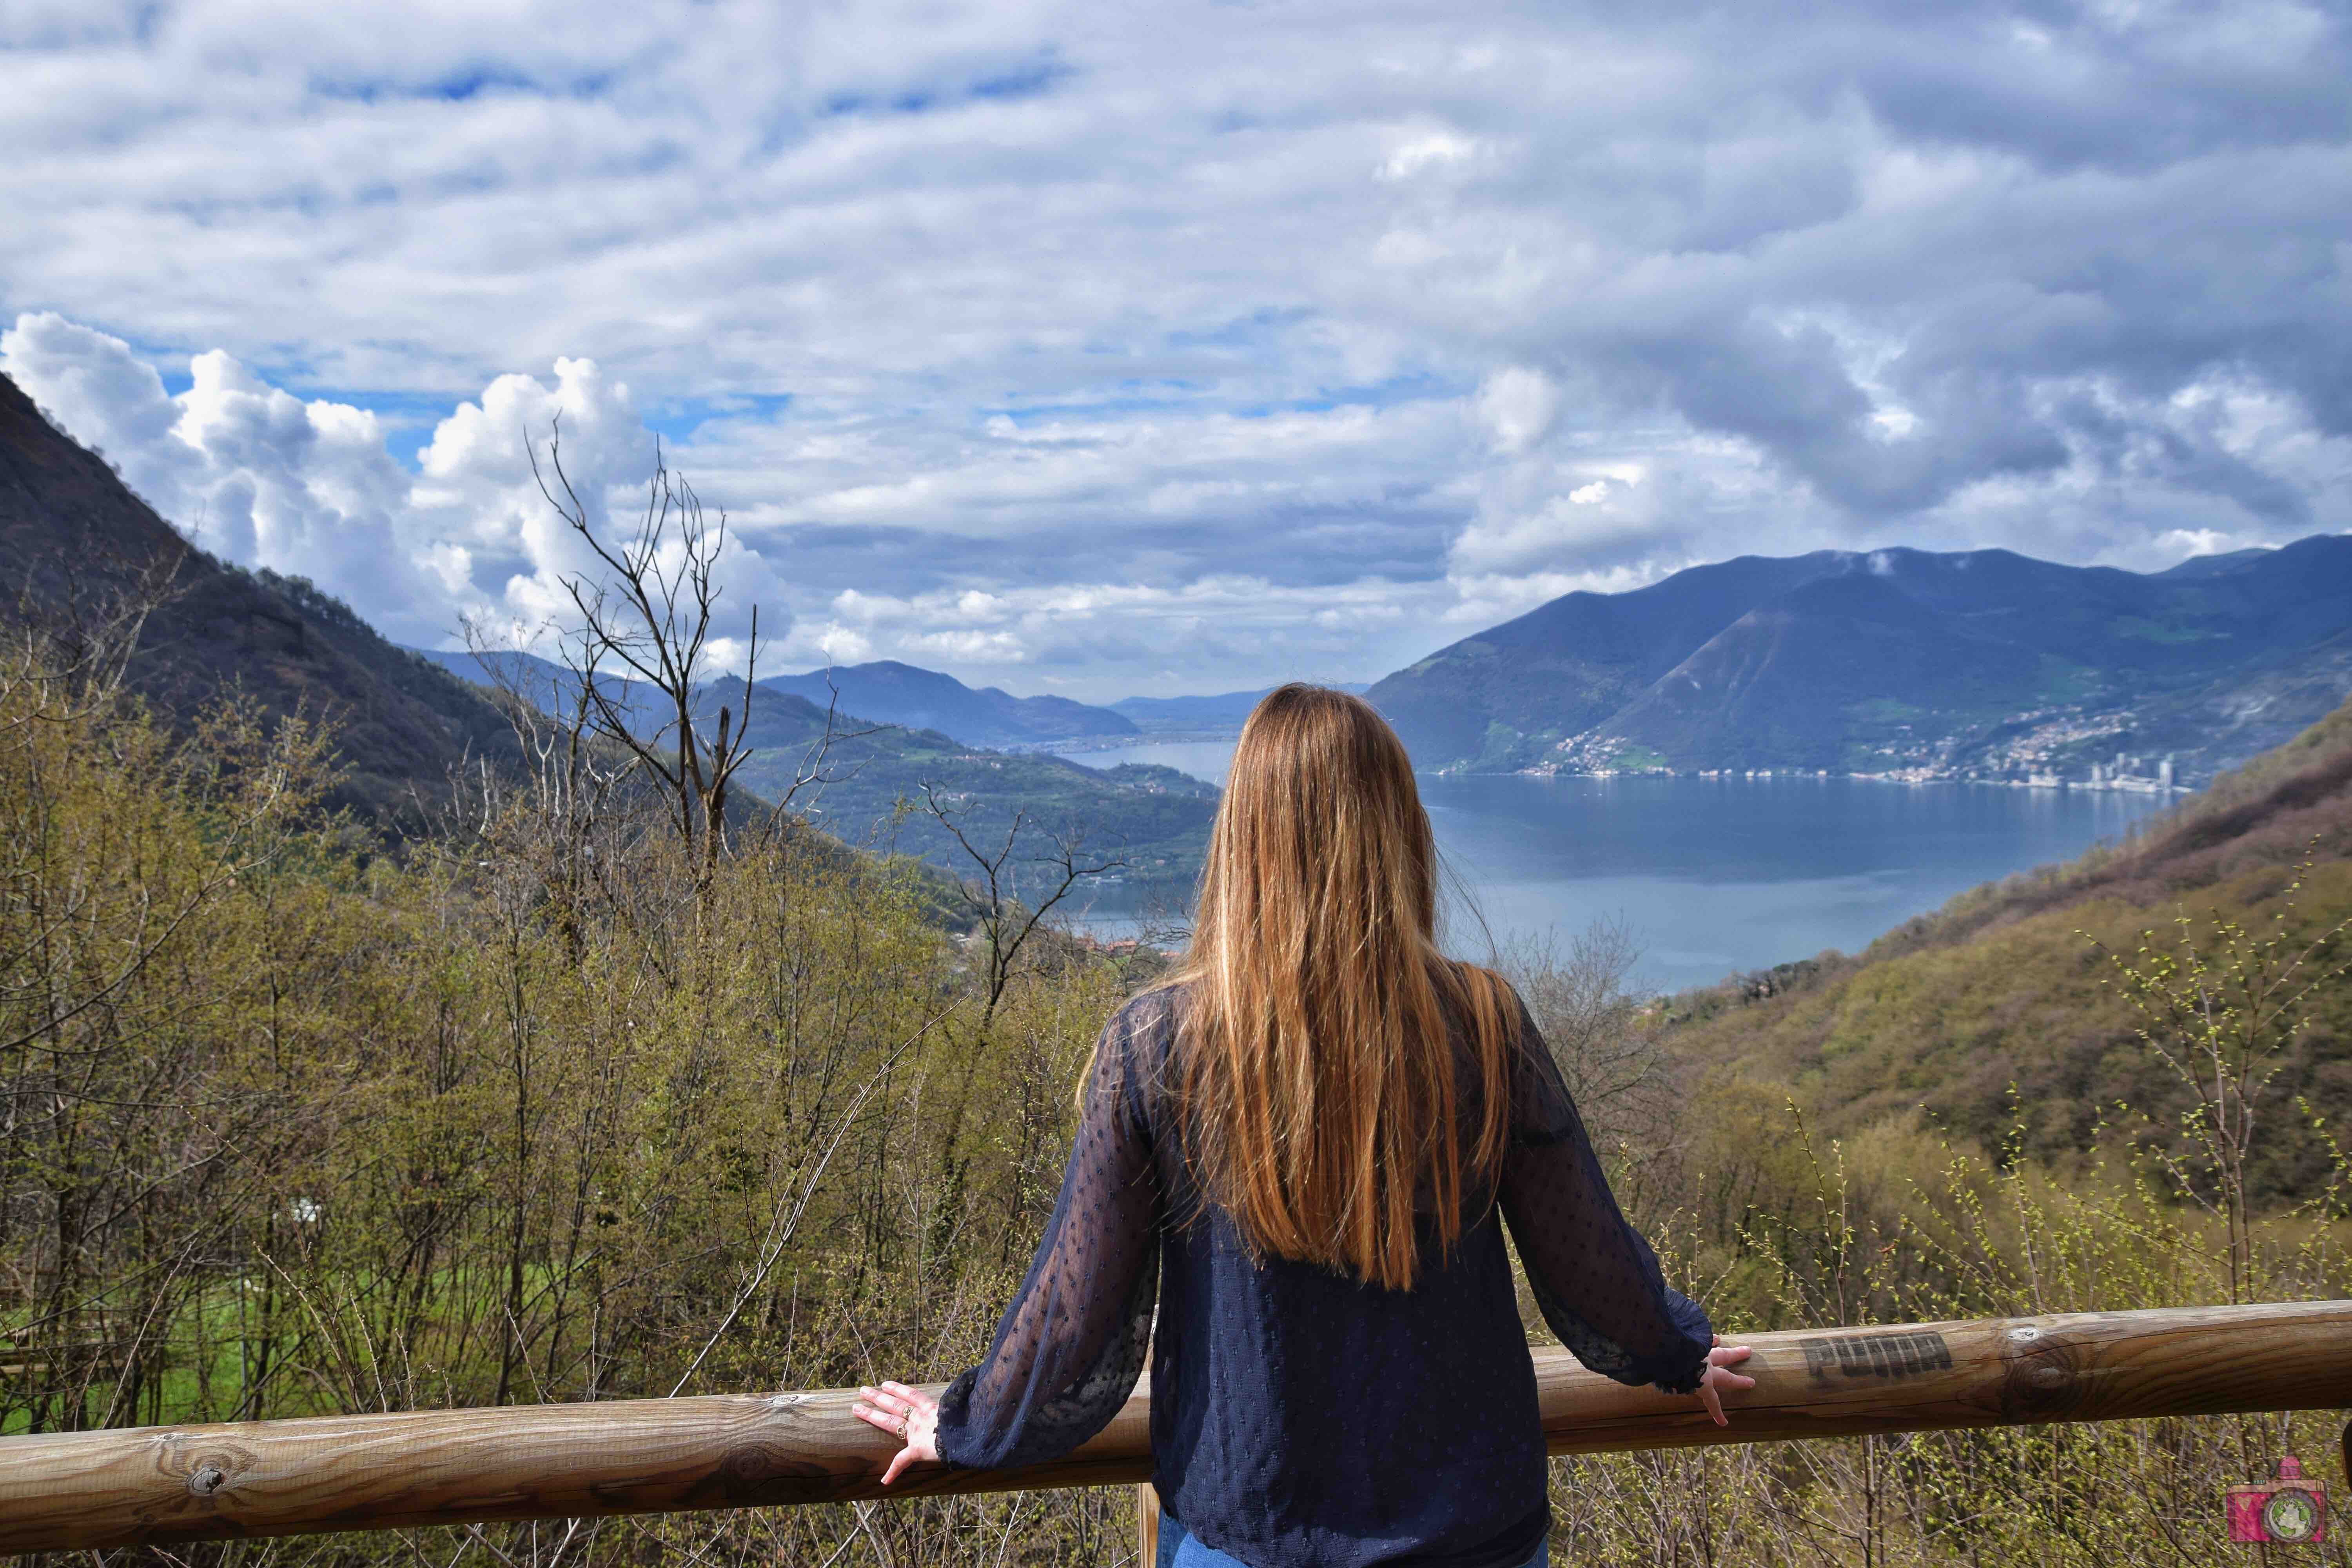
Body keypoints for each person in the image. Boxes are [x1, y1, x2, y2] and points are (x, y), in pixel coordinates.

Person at [855, 685, 1754, 1568]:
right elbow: (1589, 1261)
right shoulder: (1484, 1025)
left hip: (1250, 1530)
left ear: (1242, 841)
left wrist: (966, 1424)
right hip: (1475, 1531)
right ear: (1400, 833)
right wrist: (1677, 1352)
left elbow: (1074, 1305)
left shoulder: (1159, 1044)